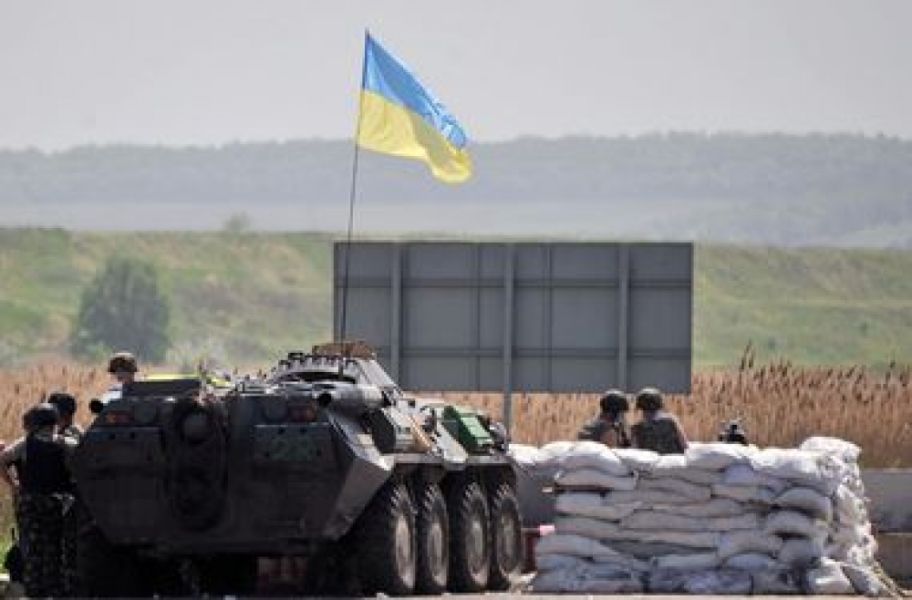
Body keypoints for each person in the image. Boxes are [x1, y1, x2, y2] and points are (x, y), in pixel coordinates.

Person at [0, 403, 78, 597]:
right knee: (56, 548)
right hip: (57, 504)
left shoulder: (25, 444)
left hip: (30, 503)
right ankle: (56, 590)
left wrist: (13, 483)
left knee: (32, 548)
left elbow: (2, 459)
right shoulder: (67, 444)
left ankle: (35, 591)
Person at [630, 387, 689, 454]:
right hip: (673, 459)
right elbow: (685, 445)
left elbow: (634, 452)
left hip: (650, 460)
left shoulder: (636, 429)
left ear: (640, 407)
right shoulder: (671, 421)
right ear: (660, 404)